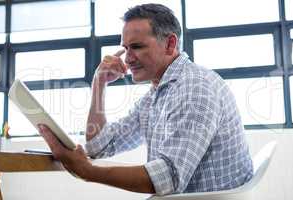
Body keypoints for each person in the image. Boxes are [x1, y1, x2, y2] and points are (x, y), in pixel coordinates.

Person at [38, 3, 253, 196]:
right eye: (126, 48)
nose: (127, 58)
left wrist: (87, 171)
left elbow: (168, 178)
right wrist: (99, 83)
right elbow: (99, 146)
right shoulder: (157, 94)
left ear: (170, 44)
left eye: (137, 47)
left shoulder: (195, 88)